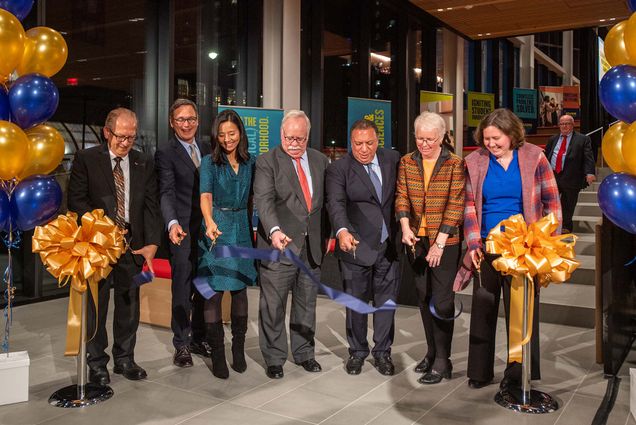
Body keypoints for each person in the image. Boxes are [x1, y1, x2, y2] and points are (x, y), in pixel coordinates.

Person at [462, 108, 561, 390]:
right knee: (483, 310)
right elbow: (469, 206)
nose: (490, 144)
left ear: (512, 134)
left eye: (496, 138)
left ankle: (518, 374)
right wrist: (472, 244)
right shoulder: (474, 161)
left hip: (523, 249)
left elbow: (552, 201)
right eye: (486, 139)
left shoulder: (534, 157)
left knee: (521, 315)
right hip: (486, 249)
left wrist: (546, 243)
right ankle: (479, 372)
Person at [68, 107, 161, 385]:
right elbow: (76, 202)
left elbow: (151, 205)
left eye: (131, 137)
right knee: (97, 307)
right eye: (121, 136)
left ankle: (125, 359)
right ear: (107, 132)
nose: (125, 143)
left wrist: (152, 243)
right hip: (98, 247)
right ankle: (97, 364)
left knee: (128, 305)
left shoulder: (143, 162)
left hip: (133, 245)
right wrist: (105, 232)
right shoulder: (87, 159)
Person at [253, 109, 329, 379]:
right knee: (273, 306)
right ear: (280, 134)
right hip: (279, 246)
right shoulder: (267, 162)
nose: (294, 143)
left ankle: (304, 353)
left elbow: (327, 204)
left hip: (312, 248)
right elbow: (263, 200)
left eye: (300, 138)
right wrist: (274, 230)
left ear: (308, 136)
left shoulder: (321, 161)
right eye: (289, 138)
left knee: (306, 304)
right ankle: (274, 358)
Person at [325, 119, 401, 376]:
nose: (364, 149)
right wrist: (342, 231)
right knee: (356, 304)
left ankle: (383, 353)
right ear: (351, 142)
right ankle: (357, 352)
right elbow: (335, 204)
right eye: (358, 144)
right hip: (355, 245)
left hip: (388, 246)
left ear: (378, 141)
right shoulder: (339, 169)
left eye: (369, 143)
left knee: (386, 303)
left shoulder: (393, 159)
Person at [395, 111, 465, 385]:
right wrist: (405, 227)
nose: (423, 144)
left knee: (443, 301)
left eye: (429, 140)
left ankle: (443, 361)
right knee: (423, 297)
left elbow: (456, 205)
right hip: (416, 240)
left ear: (441, 138)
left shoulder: (454, 164)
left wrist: (439, 242)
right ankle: (431, 351)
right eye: (419, 139)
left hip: (445, 242)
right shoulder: (406, 162)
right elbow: (401, 196)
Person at [197, 109, 257, 379]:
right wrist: (209, 221)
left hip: (242, 227)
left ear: (240, 133)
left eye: (231, 133)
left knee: (240, 289)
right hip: (217, 227)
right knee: (214, 290)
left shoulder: (250, 162)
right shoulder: (210, 162)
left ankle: (239, 349)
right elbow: (205, 195)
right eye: (221, 135)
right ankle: (218, 354)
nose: (227, 139)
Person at [155, 99, 211, 369]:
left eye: (190, 119)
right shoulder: (166, 152)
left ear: (197, 121)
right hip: (182, 231)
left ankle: (200, 337)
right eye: (181, 120)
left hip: (208, 230)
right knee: (182, 287)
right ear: (172, 123)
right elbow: (165, 192)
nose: (186, 124)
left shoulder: (209, 147)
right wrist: (172, 223)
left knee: (204, 285)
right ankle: (182, 344)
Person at [544, 114, 595, 233]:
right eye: (562, 124)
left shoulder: (583, 139)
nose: (564, 126)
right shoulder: (553, 139)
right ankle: (550, 226)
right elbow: (547, 156)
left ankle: (565, 227)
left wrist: (590, 173)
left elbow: (588, 157)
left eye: (567, 123)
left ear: (572, 125)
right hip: (553, 175)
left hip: (571, 175)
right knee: (550, 202)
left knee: (568, 204)